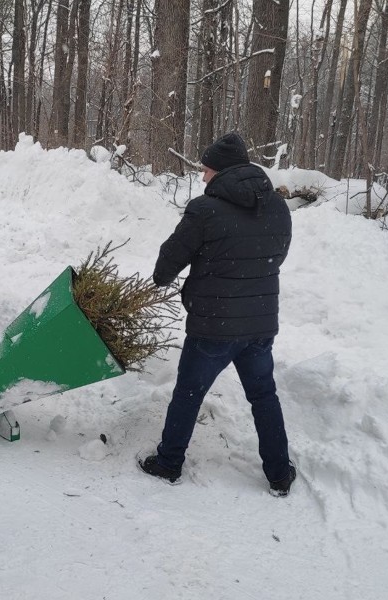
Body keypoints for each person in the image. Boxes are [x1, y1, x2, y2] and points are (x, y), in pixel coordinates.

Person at [138, 132, 296, 496]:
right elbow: (275, 256)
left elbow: (169, 262)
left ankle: (168, 463)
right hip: (259, 322)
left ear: (221, 170)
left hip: (213, 325)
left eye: (207, 170)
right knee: (264, 396)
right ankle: (278, 473)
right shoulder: (277, 207)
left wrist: (163, 278)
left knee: (189, 393)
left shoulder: (204, 210)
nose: (203, 177)